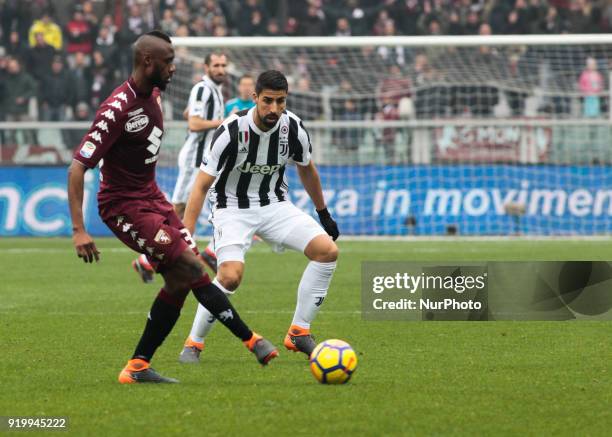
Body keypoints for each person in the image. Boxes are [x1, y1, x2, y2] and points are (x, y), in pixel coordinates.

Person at [67, 31, 278, 384]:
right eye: (168, 61)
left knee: (181, 279)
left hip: (152, 197)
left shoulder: (154, 95)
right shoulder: (117, 108)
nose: (174, 68)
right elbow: (77, 167)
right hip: (123, 206)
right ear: (148, 62)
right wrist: (78, 229)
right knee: (189, 265)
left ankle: (137, 366)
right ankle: (252, 340)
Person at [177, 70, 340, 363]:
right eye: (268, 101)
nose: (274, 109)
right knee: (229, 278)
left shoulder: (293, 128)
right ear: (255, 98)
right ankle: (194, 342)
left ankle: (299, 331)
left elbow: (307, 169)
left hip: (275, 205)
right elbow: (201, 185)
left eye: (280, 102)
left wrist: (323, 212)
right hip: (232, 208)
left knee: (327, 251)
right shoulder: (230, 130)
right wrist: (186, 236)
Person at [132, 52, 227, 283]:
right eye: (216, 65)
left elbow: (189, 114)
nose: (221, 69)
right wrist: (223, 122)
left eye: (224, 65)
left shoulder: (215, 90)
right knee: (178, 211)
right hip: (195, 158)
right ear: (206, 67)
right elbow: (194, 124)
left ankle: (209, 252)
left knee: (190, 211)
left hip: (205, 159)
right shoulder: (203, 89)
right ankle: (148, 260)